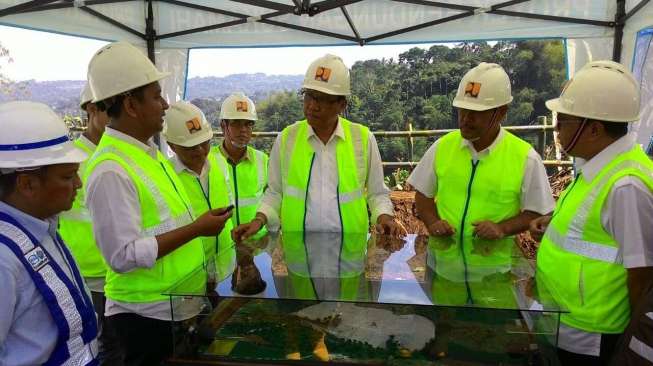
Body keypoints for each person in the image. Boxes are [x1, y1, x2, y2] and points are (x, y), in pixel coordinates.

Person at [84, 41, 232, 365]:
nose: (165, 104)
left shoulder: (149, 154)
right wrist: (197, 229)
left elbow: (166, 223)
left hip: (175, 309)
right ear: (131, 105)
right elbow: (122, 256)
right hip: (144, 318)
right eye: (155, 96)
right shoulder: (112, 169)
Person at [532, 60, 653, 364]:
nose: (556, 129)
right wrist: (553, 222)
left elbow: (643, 276)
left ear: (595, 129)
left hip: (593, 336)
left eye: (564, 122)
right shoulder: (598, 167)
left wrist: (634, 347)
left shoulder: (626, 185)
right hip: (568, 322)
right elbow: (594, 229)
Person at [233, 54, 405, 239]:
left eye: (322, 99)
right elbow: (275, 193)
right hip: (299, 253)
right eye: (309, 96)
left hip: (349, 252)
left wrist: (384, 217)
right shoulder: (286, 140)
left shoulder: (362, 139)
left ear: (342, 104)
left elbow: (377, 193)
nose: (312, 106)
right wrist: (258, 221)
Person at [407, 62, 554, 273]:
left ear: (501, 112)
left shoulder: (525, 157)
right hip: (445, 273)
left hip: (494, 274)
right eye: (462, 111)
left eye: (476, 113)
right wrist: (433, 222)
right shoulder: (443, 146)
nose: (466, 119)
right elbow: (423, 194)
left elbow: (536, 212)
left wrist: (502, 229)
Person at [0, 101, 98, 365]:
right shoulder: (4, 259)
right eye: (67, 177)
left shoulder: (40, 226)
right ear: (27, 183)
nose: (78, 184)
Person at [59, 82, 122, 365]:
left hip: (122, 275)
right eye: (110, 109)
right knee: (95, 350)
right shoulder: (69, 161)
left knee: (118, 348)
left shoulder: (123, 155)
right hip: (87, 277)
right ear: (92, 110)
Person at [163, 101, 235, 279]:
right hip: (190, 275)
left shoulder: (219, 162)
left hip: (226, 266)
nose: (201, 151)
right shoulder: (165, 176)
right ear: (172, 146)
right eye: (191, 147)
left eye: (204, 143)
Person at [215, 92, 268, 238]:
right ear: (223, 126)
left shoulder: (262, 160)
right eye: (236, 123)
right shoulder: (209, 162)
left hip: (257, 242)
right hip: (223, 245)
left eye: (248, 124)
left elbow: (271, 198)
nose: (243, 130)